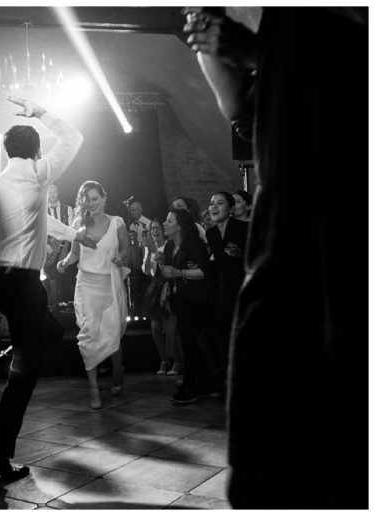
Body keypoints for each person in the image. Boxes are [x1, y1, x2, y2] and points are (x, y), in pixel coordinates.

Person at [184, 7, 367, 507]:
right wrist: (217, 53)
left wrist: (263, 52)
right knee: (268, 473)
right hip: (285, 258)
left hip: (346, 246)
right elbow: (245, 111)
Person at [0, 96, 85, 482]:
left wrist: (74, 235)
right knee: (25, 375)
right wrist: (39, 110)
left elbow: (36, 221)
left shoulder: (0, 180)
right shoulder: (38, 173)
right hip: (22, 283)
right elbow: (73, 136)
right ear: (37, 151)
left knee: (50, 333)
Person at [57, 180, 129, 410]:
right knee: (88, 336)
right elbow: (74, 255)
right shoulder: (78, 224)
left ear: (104, 198)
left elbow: (126, 250)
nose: (91, 203)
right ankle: (94, 390)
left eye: (95, 198)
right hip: (86, 286)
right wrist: (64, 262)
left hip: (110, 283)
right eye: (87, 199)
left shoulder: (117, 223)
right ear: (83, 201)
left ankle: (118, 371)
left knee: (112, 331)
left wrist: (121, 258)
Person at [159, 208, 213, 404]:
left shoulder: (192, 244)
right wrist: (162, 265)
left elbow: (206, 271)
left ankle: (190, 386)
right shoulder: (169, 246)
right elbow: (169, 273)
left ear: (179, 225)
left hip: (195, 300)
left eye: (169, 220)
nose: (165, 223)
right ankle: (206, 382)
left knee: (190, 343)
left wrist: (180, 273)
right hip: (180, 300)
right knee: (189, 342)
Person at [205, 191, 247, 393]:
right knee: (216, 335)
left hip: (238, 292)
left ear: (231, 209)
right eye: (212, 203)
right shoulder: (210, 233)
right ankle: (222, 379)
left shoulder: (244, 229)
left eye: (220, 203)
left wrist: (241, 255)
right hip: (217, 293)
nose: (213, 207)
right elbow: (215, 264)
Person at [141, 218, 183, 376]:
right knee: (155, 326)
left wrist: (154, 251)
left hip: (166, 284)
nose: (155, 231)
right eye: (152, 228)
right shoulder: (149, 246)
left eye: (157, 228)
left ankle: (178, 361)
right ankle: (163, 360)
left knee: (171, 326)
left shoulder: (168, 245)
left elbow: (164, 266)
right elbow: (145, 270)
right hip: (154, 286)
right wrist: (148, 252)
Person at [43, 183, 75, 307]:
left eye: (54, 192)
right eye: (49, 192)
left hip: (64, 246)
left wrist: (65, 247)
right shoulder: (42, 210)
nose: (52, 195)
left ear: (58, 192)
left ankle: (68, 301)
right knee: (50, 276)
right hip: (49, 248)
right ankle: (52, 303)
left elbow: (71, 229)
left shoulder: (67, 209)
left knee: (65, 274)